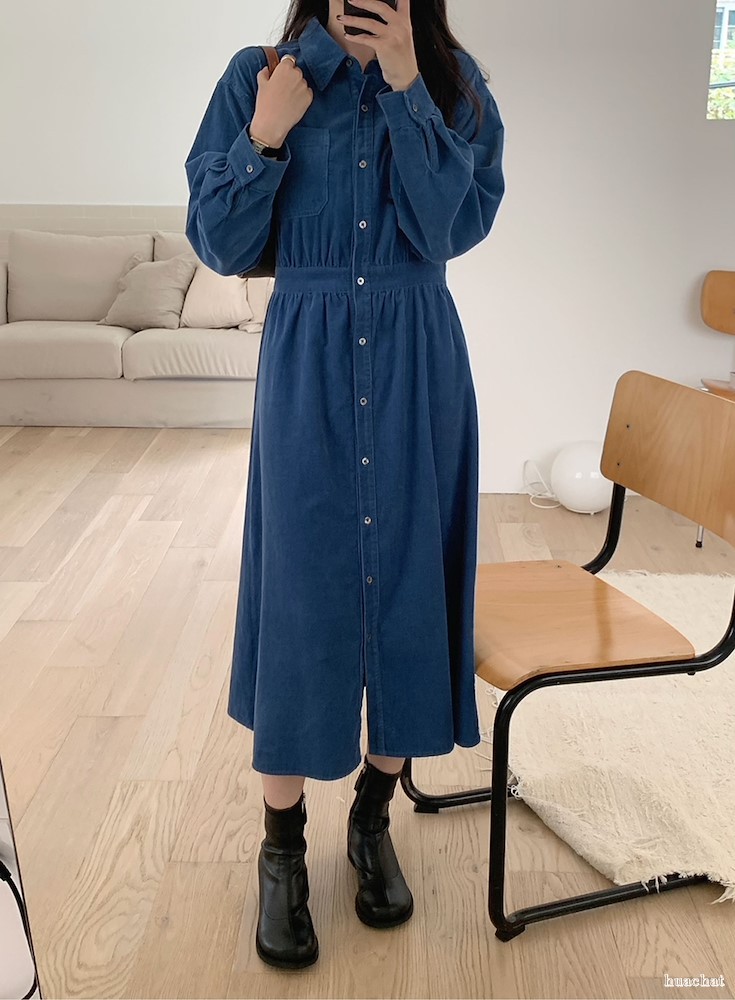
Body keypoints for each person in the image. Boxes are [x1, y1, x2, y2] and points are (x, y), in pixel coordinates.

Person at [184, 0, 505, 970]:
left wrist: (408, 87)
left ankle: (371, 817)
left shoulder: (454, 84)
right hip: (307, 370)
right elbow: (220, 242)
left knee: (407, 590)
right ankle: (281, 849)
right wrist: (264, 135)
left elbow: (450, 227)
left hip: (417, 367)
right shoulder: (260, 75)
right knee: (302, 597)